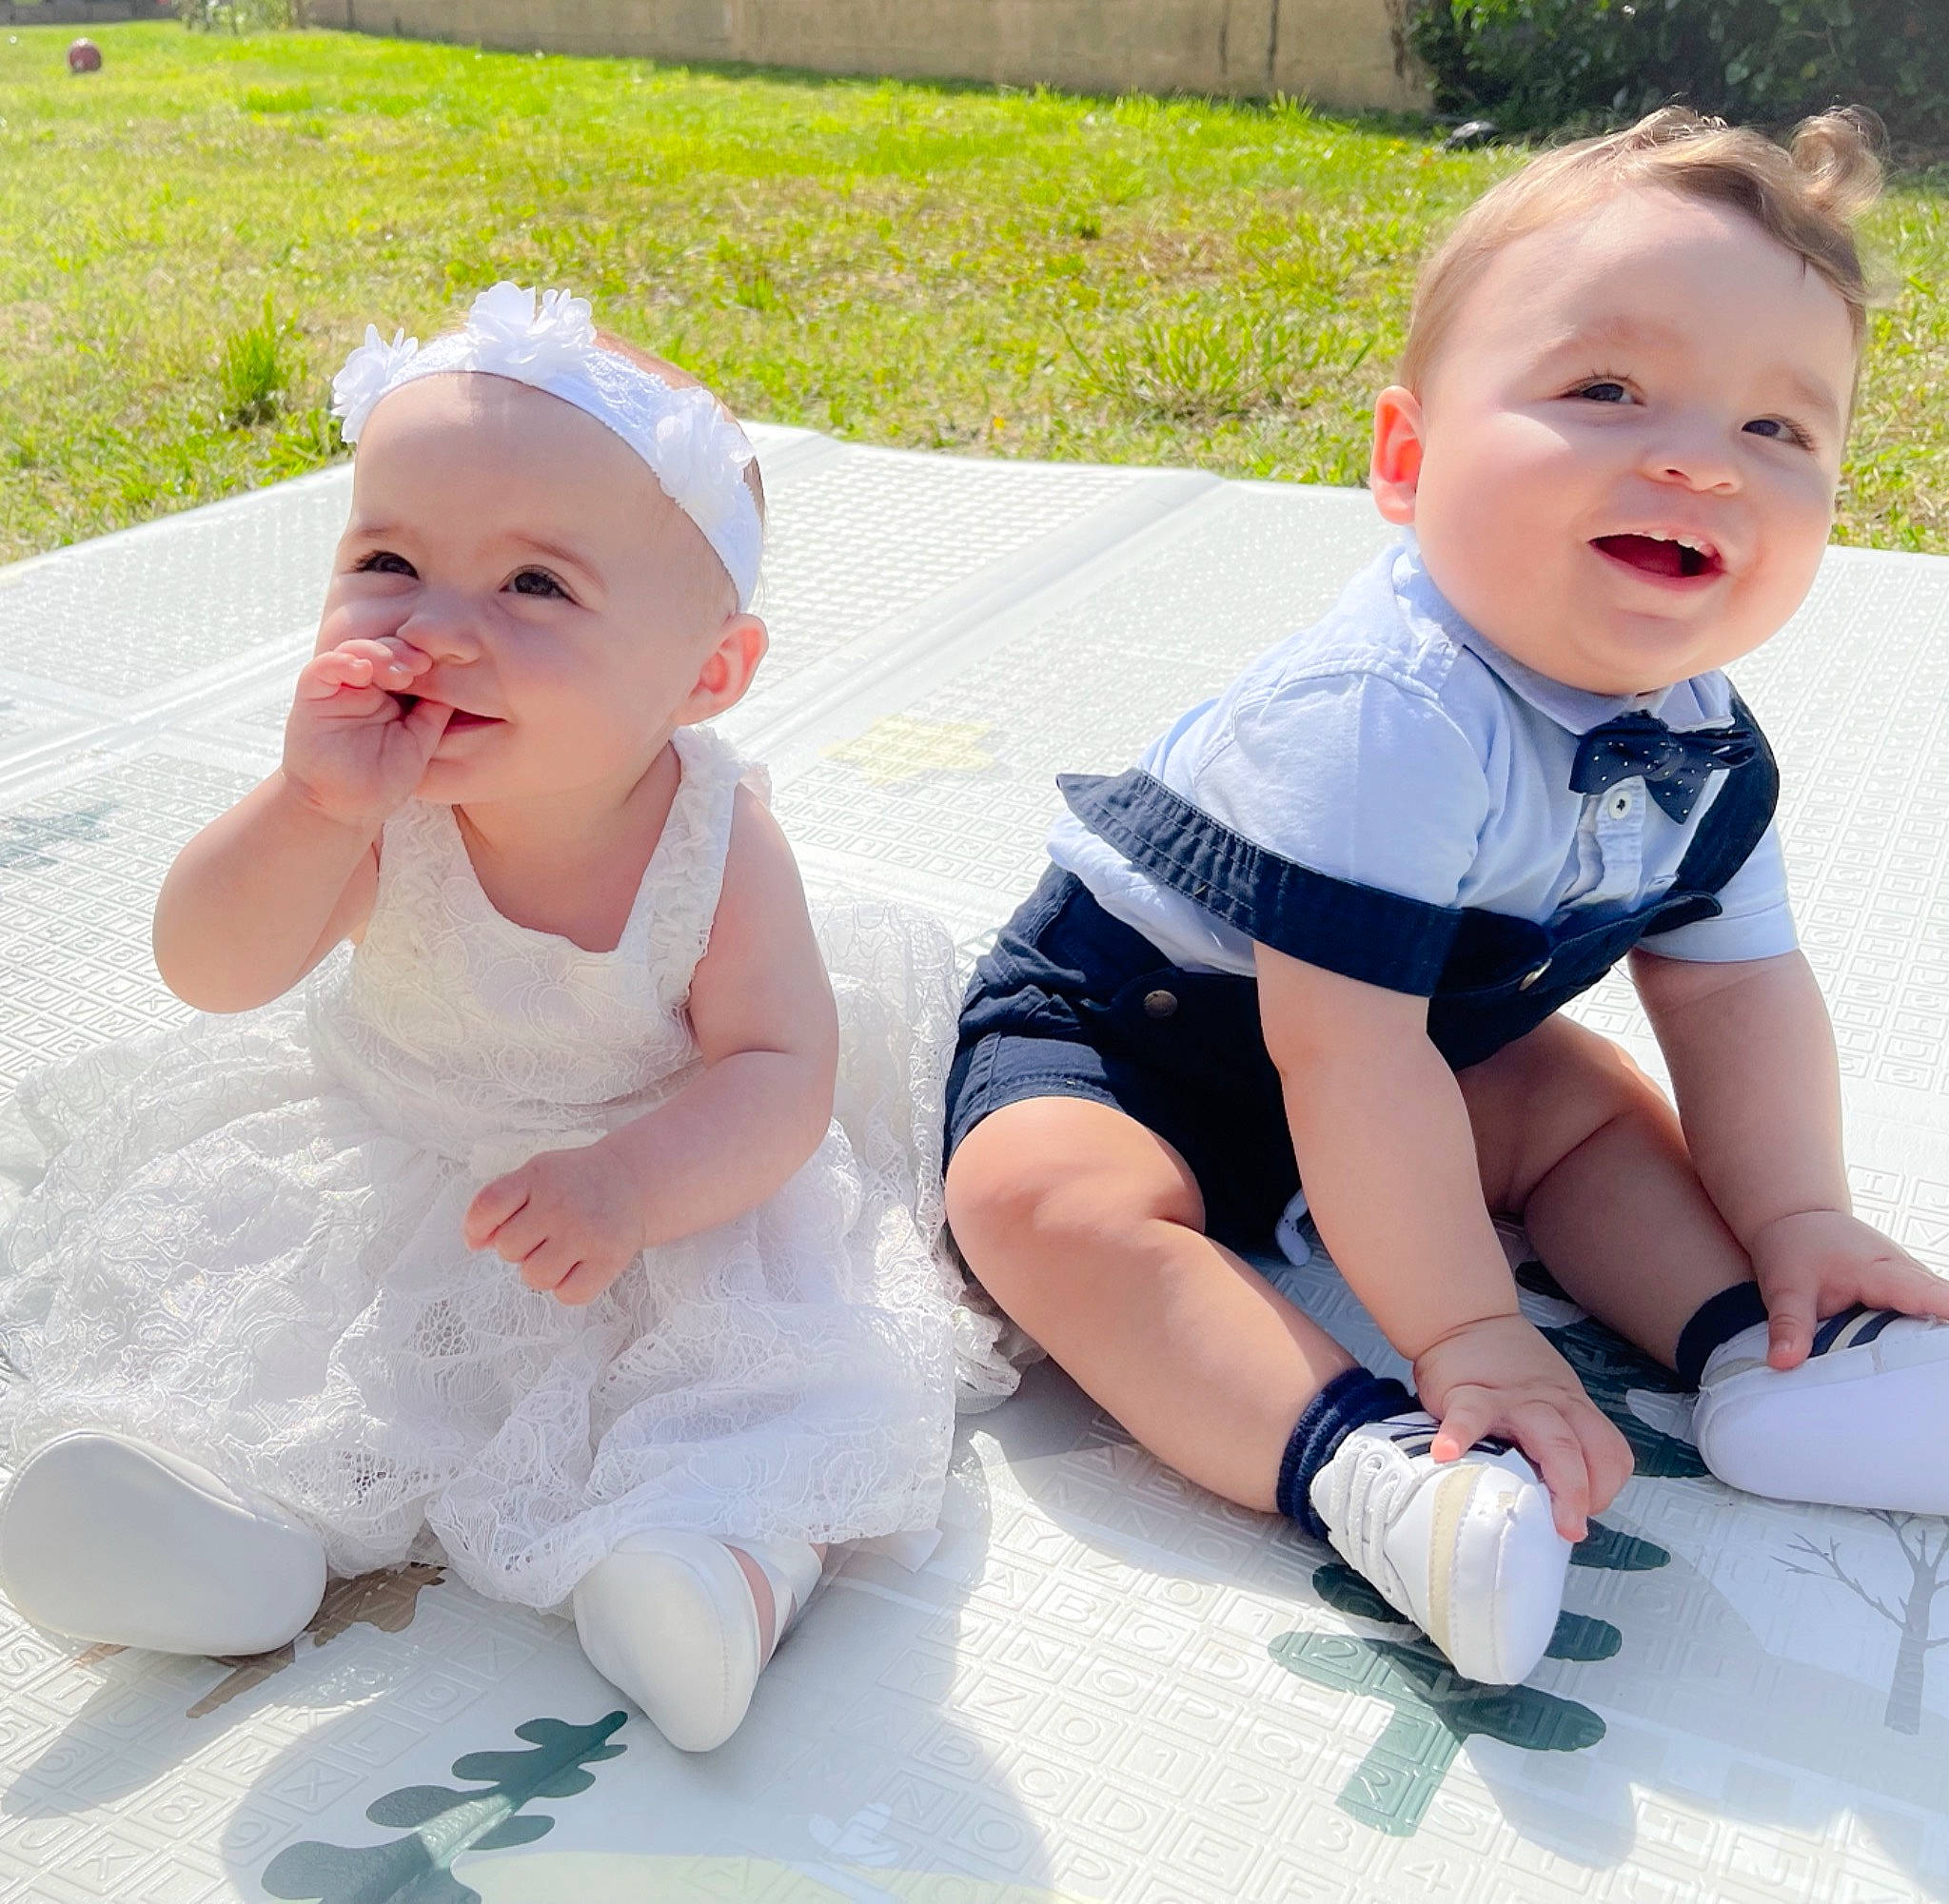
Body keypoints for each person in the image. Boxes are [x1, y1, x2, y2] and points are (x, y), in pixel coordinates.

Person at [944, 108, 1949, 1686]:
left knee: (1588, 1110)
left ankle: (1772, 1347)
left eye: (1778, 427)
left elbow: (1735, 989)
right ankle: (1372, 1465)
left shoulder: (1699, 740)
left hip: (1420, 1045)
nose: (1700, 458)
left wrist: (1799, 1214)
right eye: (1606, 390)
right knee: (1036, 1204)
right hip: (1138, 1042)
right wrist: (1471, 1333)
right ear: (1408, 462)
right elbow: (1340, 1057)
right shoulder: (1383, 711)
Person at [0, 283, 964, 1753]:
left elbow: (779, 1071)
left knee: (760, 1392)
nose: (437, 630)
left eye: (533, 587)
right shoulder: (375, 800)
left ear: (706, 674)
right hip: (394, 1153)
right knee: (290, 1350)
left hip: (653, 1186)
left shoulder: (712, 843)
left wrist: (634, 1185)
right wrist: (308, 806)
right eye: (388, 562)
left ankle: (712, 1569)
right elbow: (211, 968)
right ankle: (214, 1526)